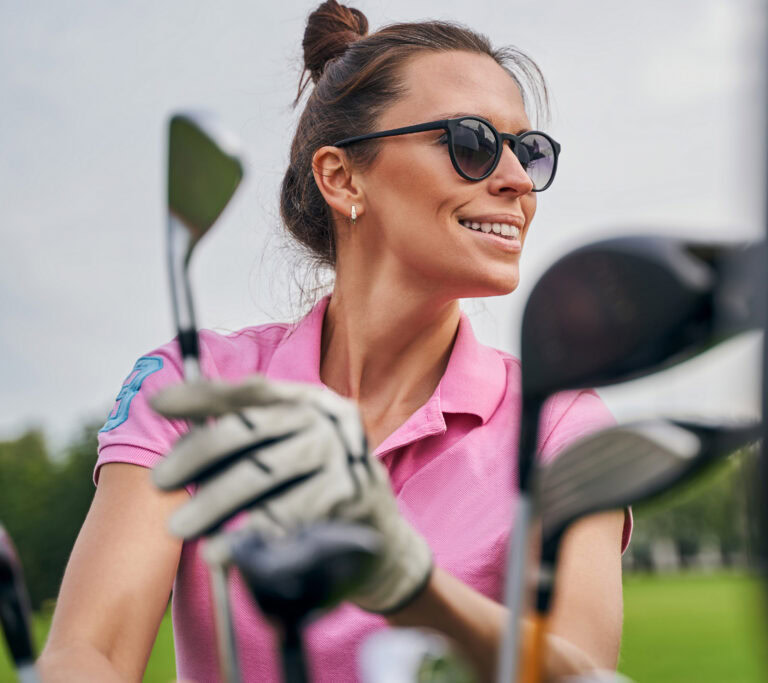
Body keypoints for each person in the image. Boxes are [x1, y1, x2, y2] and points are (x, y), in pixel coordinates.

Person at [38, 3, 629, 681]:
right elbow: (90, 652)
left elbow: (581, 673)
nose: (519, 182)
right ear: (343, 177)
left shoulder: (559, 425)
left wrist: (415, 588)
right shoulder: (194, 384)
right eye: (471, 143)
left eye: (529, 151)